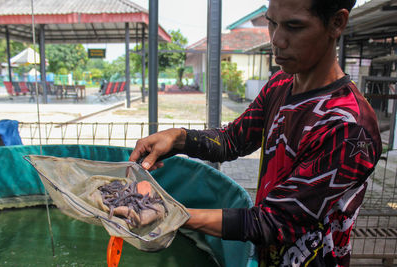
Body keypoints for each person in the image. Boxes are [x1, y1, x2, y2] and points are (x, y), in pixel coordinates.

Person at [129, 0, 382, 265]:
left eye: (294, 26)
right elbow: (232, 140)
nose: (277, 40)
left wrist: (172, 215)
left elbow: (272, 222)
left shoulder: (350, 127)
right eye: (272, 23)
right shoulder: (280, 84)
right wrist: (178, 138)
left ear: (336, 23)